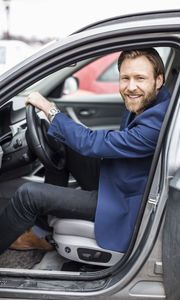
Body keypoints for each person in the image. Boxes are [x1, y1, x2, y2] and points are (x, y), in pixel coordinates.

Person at [0, 48, 170, 254]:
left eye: (140, 78)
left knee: (27, 195)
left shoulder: (157, 122)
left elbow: (94, 143)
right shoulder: (149, 101)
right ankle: (42, 234)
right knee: (59, 141)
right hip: (120, 177)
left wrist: (50, 109)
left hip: (122, 202)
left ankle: (39, 230)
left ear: (159, 80)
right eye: (125, 78)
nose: (131, 87)